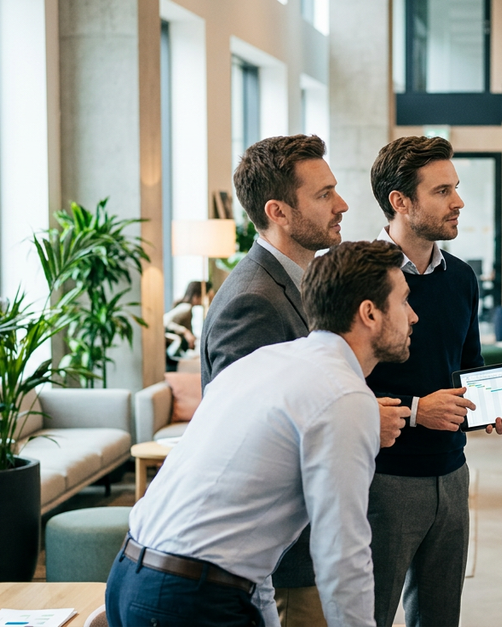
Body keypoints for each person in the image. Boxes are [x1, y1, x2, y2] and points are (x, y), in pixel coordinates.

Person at [106, 241, 417, 627]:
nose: (413, 316)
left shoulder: (265, 361)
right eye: (403, 301)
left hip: (130, 576)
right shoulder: (344, 395)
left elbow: (254, 548)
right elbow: (341, 551)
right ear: (369, 313)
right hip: (192, 600)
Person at [199, 134, 408, 627]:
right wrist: (355, 417)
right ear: (279, 211)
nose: (342, 204)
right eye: (323, 195)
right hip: (286, 567)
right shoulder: (254, 300)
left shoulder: (305, 284)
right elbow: (245, 437)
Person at [364, 135, 502, 627]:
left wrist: (492, 405)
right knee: (368, 616)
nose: (458, 202)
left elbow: (466, 365)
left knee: (439, 618)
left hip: (453, 475)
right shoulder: (356, 276)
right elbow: (332, 384)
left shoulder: (461, 278)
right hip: (381, 481)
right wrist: (416, 409)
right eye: (442, 191)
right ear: (401, 202)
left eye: (456, 188)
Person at [164, 281, 206, 369]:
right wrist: (184, 331)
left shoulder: (189, 309)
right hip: (171, 350)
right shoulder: (186, 308)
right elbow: (165, 321)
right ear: (196, 296)